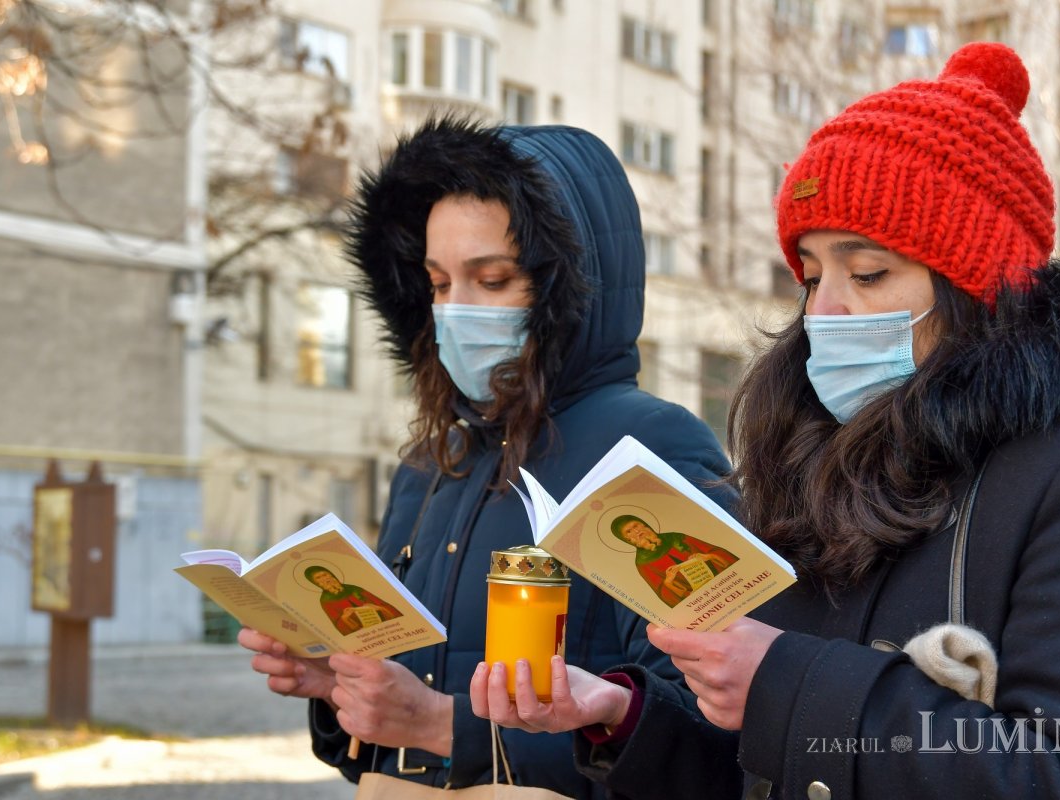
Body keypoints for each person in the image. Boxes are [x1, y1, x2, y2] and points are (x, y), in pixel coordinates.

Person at [472, 43, 1060, 798]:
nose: (824, 313)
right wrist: (625, 717)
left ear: (977, 286)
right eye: (811, 275)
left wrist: (783, 683)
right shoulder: (806, 467)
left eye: (869, 272)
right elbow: (768, 765)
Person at [237, 116, 736, 797]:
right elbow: (401, 719)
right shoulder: (431, 461)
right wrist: (340, 690)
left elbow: (714, 743)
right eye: (439, 284)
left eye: (493, 279)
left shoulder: (650, 448)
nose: (455, 312)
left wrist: (446, 727)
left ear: (569, 285)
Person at [609, 515, 738, 606]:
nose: (637, 532)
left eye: (636, 525)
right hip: (701, 600)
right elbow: (663, 594)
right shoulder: (642, 563)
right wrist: (669, 582)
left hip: (727, 585)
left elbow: (716, 552)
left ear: (645, 525)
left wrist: (709, 557)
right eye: (629, 532)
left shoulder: (675, 536)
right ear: (628, 540)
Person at [304, 565, 401, 636]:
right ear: (315, 583)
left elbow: (384, 605)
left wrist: (379, 608)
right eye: (318, 578)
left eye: (325, 575)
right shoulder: (326, 601)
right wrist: (345, 618)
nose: (325, 579)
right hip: (365, 636)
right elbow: (338, 625)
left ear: (332, 575)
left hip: (386, 629)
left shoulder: (354, 589)